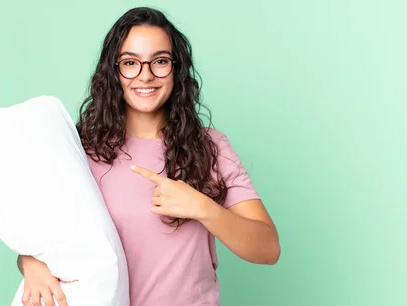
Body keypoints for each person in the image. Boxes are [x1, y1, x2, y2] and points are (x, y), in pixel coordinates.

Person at [17, 6, 280, 306]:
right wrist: (30, 263)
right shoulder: (80, 149)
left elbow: (268, 248)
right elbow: (41, 238)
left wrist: (203, 207)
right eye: (131, 63)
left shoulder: (211, 147)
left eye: (160, 61)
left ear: (176, 68)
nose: (146, 76)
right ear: (114, 71)